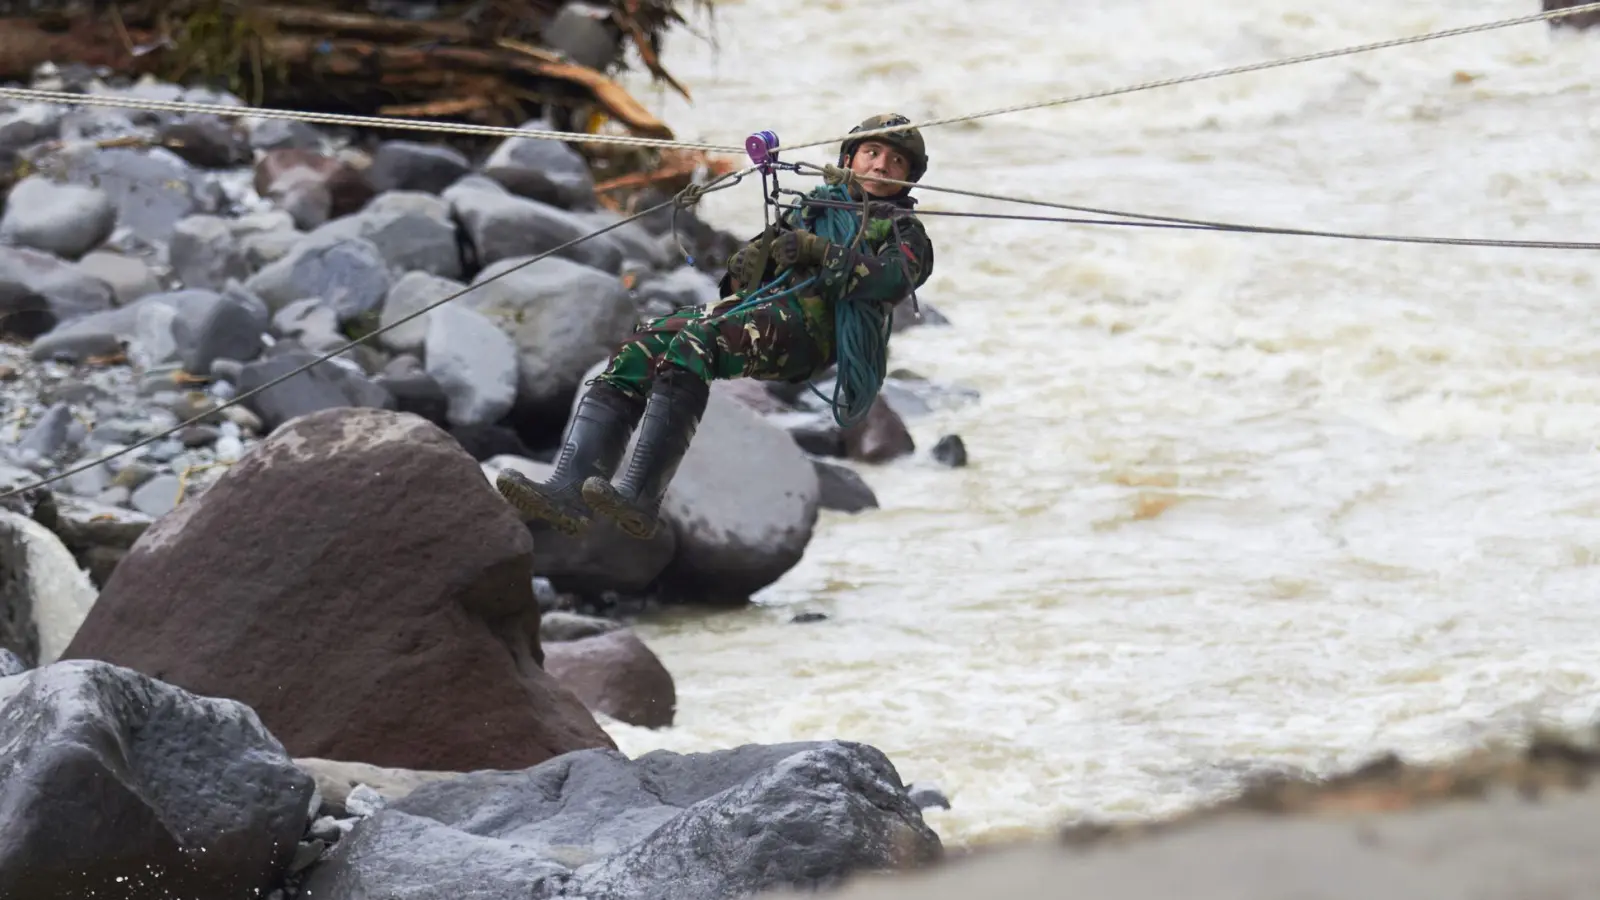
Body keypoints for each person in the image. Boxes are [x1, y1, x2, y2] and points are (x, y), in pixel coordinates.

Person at [497, 113, 936, 540]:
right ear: (847, 160)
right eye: (872, 152)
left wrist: (819, 251)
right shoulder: (809, 210)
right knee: (641, 344)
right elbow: (744, 279)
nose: (881, 164)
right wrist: (748, 264)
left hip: (811, 338)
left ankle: (641, 497)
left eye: (896, 161)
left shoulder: (903, 231)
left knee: (695, 343)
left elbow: (891, 279)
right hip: (766, 316)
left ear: (909, 178)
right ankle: (568, 490)